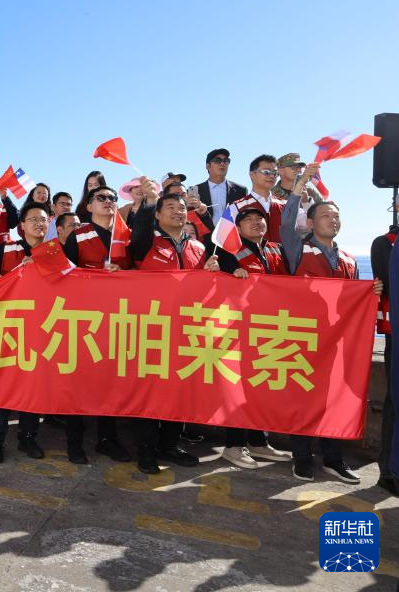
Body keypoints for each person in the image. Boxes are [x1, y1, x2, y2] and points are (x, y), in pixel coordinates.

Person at [280, 163, 381, 483]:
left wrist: (372, 292)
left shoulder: (350, 259)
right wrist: (300, 185)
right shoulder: (298, 249)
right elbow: (286, 223)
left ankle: (334, 459)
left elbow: (355, 302)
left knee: (336, 401)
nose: (333, 220)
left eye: (336, 216)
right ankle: (301, 458)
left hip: (337, 344)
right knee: (302, 401)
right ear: (310, 222)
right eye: (326, 215)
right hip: (305, 340)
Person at [127, 179, 206, 474]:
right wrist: (149, 201)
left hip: (186, 333)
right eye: (170, 207)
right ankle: (146, 450)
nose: (177, 211)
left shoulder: (198, 247)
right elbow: (139, 230)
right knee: (149, 393)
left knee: (180, 393)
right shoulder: (147, 242)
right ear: (158, 215)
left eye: (181, 207)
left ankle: (170, 445)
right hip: (151, 331)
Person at [206, 208, 293, 469]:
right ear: (238, 227)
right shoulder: (227, 250)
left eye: (259, 218)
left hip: (270, 329)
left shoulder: (277, 249)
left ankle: (259, 441)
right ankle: (233, 445)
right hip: (238, 330)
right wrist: (229, 273)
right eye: (248, 220)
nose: (256, 222)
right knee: (238, 388)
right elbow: (214, 280)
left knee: (262, 386)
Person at [0, 202, 52, 464]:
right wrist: (3, 280)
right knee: (0, 386)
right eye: (33, 219)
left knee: (32, 388)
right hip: (6, 331)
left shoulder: (54, 252)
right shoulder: (8, 248)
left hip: (39, 332)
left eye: (43, 219)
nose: (39, 224)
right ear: (22, 225)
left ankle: (28, 437)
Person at [60, 185, 133, 465]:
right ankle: (74, 442)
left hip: (117, 319)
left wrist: (123, 272)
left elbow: (141, 273)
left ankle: (107, 440)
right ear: (89, 206)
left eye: (112, 198)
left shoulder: (126, 235)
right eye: (101, 198)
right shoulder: (78, 236)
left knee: (110, 383)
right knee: (78, 384)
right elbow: (65, 275)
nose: (108, 201)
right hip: (84, 321)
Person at [372, 222, 398, 496]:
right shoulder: (385, 242)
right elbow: (387, 285)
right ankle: (389, 470)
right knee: (394, 399)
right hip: (395, 332)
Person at [228, 154, 288, 245]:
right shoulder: (235, 207)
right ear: (252, 174)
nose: (272, 176)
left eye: (275, 173)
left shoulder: (286, 205)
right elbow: (226, 241)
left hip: (282, 254)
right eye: (266, 172)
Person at [194, 148, 248, 235]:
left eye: (226, 160)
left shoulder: (240, 190)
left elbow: (244, 216)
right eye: (217, 160)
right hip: (204, 239)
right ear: (208, 166)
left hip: (232, 237)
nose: (222, 163)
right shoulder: (196, 191)